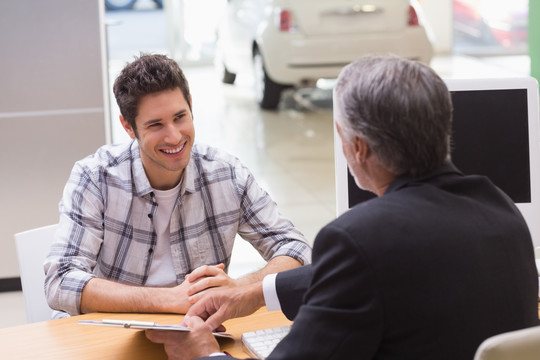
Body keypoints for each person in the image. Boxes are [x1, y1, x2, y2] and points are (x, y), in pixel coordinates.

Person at [144, 55, 539, 360]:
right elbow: (394, 270)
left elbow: (371, 264)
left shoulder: (358, 239)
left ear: (359, 149)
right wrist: (258, 291)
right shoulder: (500, 209)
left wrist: (203, 353)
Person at [43, 54, 311, 319]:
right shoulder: (95, 177)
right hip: (114, 331)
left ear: (191, 106)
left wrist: (239, 289)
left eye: (180, 117)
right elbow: (60, 280)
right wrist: (169, 299)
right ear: (128, 126)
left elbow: (296, 249)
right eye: (156, 124)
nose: (174, 136)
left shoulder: (226, 173)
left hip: (198, 332)